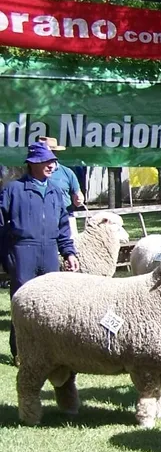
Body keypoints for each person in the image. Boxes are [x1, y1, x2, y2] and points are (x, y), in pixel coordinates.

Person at [0, 141, 80, 360]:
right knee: (22, 301)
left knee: (51, 303)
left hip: (49, 251)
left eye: (53, 161)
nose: (51, 165)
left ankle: (50, 352)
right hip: (23, 250)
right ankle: (21, 352)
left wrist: (69, 252)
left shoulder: (55, 192)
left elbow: (63, 225)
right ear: (33, 163)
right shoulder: (13, 190)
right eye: (46, 161)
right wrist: (5, 253)